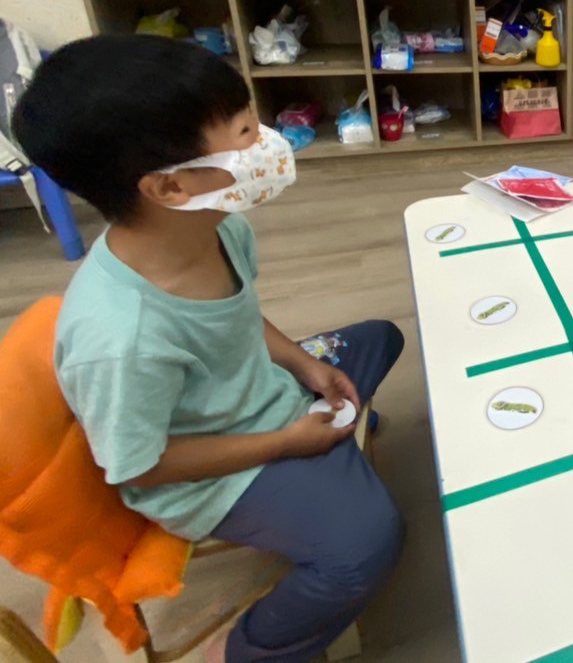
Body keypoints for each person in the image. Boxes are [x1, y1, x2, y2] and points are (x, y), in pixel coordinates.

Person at [13, 35, 404, 663]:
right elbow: (140, 467)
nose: (267, 142)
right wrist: (286, 443)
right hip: (213, 473)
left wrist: (304, 364)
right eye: (246, 132)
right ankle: (248, 650)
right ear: (169, 188)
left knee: (381, 337)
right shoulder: (120, 336)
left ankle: (331, 452)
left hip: (263, 396)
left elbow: (238, 317)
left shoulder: (222, 227)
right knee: (370, 542)